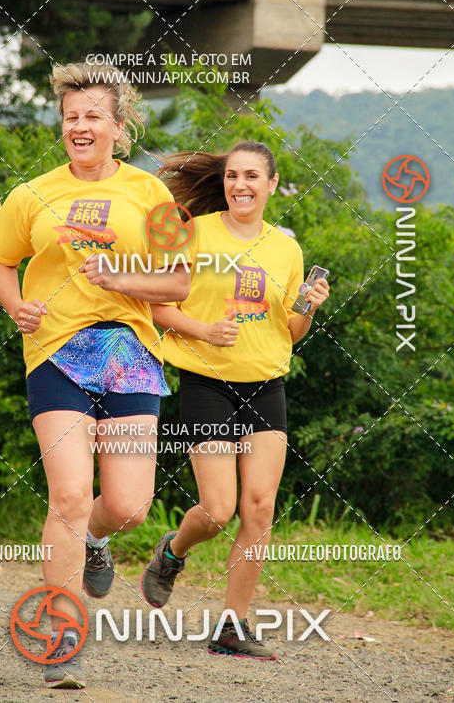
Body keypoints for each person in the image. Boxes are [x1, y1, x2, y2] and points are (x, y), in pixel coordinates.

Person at [0, 63, 189, 689]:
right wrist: (16, 304)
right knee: (69, 496)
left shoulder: (151, 195)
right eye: (71, 116)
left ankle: (97, 541)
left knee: (128, 504)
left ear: (118, 124)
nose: (80, 126)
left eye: (93, 115)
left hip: (129, 353)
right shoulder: (32, 194)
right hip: (58, 352)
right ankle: (60, 640)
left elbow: (180, 281)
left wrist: (120, 279)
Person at [141, 141, 330, 659]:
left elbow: (288, 331)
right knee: (219, 509)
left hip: (267, 383)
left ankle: (233, 626)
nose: (240, 185)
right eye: (231, 176)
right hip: (207, 382)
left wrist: (308, 308)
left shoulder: (286, 249)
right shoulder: (194, 234)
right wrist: (203, 328)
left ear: (272, 185)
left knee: (259, 508)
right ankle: (172, 552)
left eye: (252, 176)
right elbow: (155, 307)